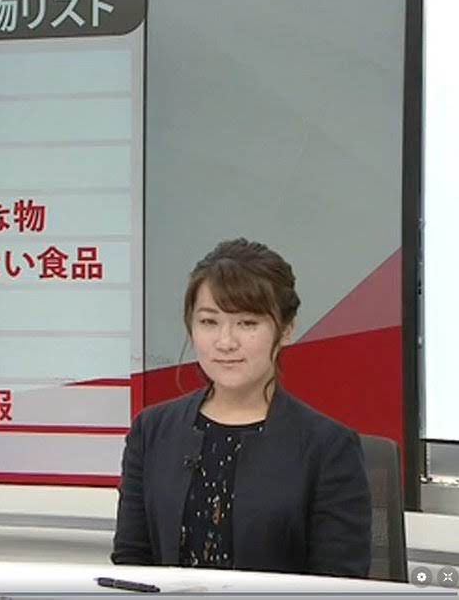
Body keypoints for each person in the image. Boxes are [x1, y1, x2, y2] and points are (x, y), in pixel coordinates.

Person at [112, 238, 371, 577]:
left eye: (247, 323)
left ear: (286, 330)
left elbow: (339, 583)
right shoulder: (151, 431)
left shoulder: (329, 447)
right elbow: (131, 565)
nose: (225, 342)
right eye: (209, 322)